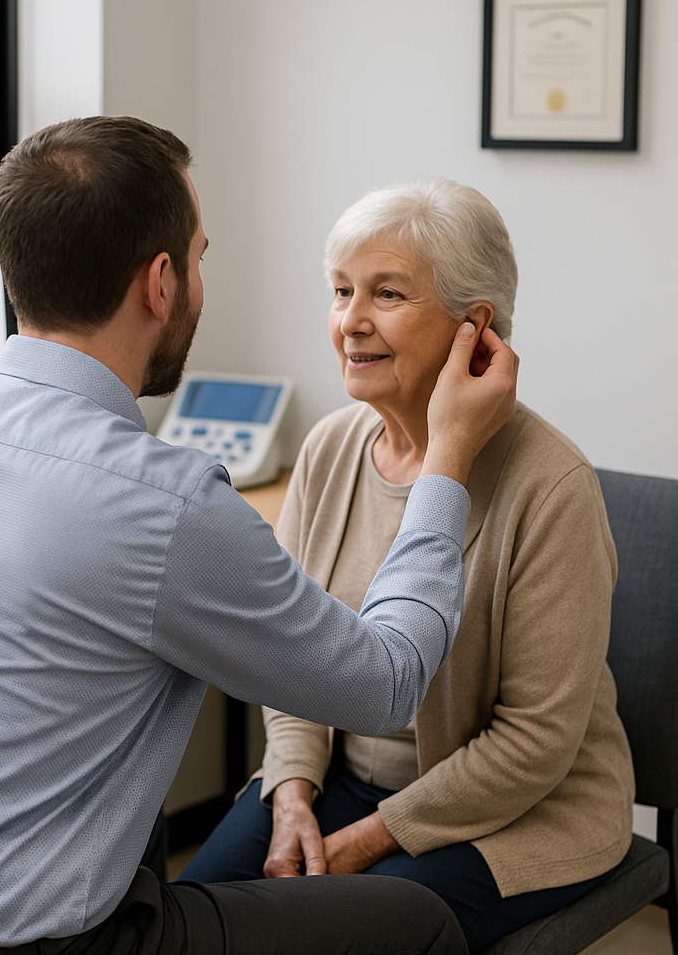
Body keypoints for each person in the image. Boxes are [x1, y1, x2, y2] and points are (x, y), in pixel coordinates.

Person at [0, 120, 519, 955]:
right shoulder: (166, 502)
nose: (354, 318)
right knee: (419, 926)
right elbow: (387, 682)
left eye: (385, 294)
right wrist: (450, 463)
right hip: (23, 944)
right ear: (161, 282)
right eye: (201, 257)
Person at [178, 178, 635, 954]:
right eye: (340, 291)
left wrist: (363, 844)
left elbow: (534, 743)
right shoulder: (328, 448)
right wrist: (291, 793)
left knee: (334, 940)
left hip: (521, 809)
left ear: (474, 330)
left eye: (386, 294)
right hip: (339, 780)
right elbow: (288, 657)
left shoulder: (552, 486)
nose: (350, 321)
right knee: (190, 917)